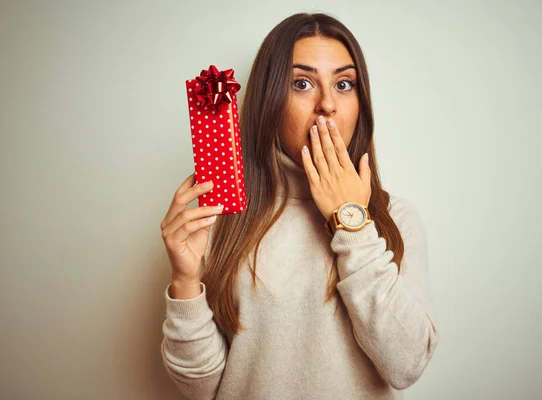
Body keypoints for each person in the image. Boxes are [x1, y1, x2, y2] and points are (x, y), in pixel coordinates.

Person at [159, 12, 439, 400]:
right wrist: (186, 282)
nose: (327, 104)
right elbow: (203, 389)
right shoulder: (223, 221)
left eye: (344, 84)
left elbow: (406, 365)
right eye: (302, 83)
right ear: (270, 100)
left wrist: (351, 223)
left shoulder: (396, 221)